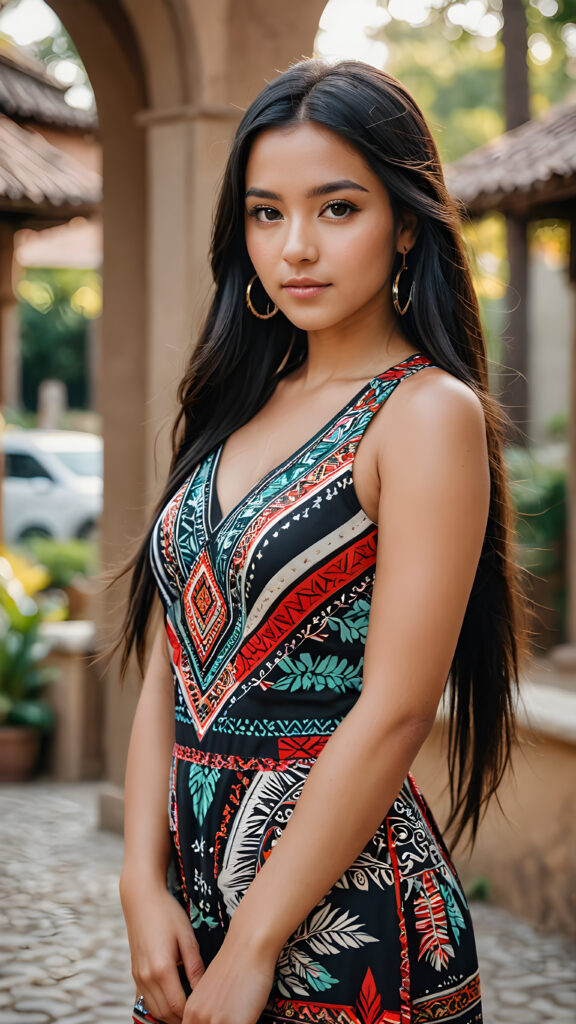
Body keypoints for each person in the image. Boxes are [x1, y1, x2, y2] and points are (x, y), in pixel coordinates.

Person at [116, 58, 529, 1024]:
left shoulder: (425, 415)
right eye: (267, 213)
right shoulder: (235, 403)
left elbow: (394, 709)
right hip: (194, 915)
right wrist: (141, 879)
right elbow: (171, 665)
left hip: (348, 924)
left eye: (336, 209)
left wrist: (256, 943)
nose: (295, 246)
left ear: (407, 224)